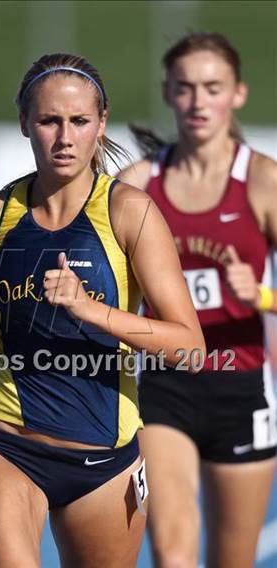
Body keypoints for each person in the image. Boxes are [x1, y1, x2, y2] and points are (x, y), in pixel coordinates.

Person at [0, 53, 204, 568]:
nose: (64, 137)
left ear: (100, 124)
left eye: (79, 121)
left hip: (105, 461)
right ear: (23, 123)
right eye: (49, 120)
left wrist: (92, 311)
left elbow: (190, 348)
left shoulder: (130, 213)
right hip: (4, 444)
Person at [119, 32, 277, 568]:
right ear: (167, 93)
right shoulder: (139, 184)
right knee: (172, 548)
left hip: (243, 386)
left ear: (237, 94)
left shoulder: (262, 182)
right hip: (164, 386)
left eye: (212, 87)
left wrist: (259, 294)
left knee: (232, 559)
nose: (198, 101)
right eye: (185, 88)